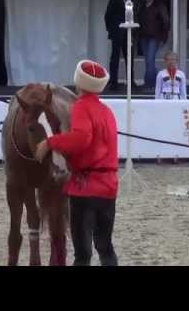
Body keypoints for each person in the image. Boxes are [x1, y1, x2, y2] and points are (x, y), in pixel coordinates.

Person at [35, 60, 119, 266]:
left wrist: (50, 142)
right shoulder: (107, 111)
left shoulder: (81, 107)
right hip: (108, 186)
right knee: (105, 247)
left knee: (82, 253)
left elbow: (81, 139)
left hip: (86, 188)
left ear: (79, 83)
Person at [105, 0, 140, 91]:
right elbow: (108, 16)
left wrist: (135, 31)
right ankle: (113, 83)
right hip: (117, 33)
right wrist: (111, 30)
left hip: (129, 33)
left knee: (129, 58)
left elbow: (137, 14)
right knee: (115, 57)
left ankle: (131, 82)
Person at [138, 0, 170, 91]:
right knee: (148, 62)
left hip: (155, 37)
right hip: (144, 37)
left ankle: (149, 85)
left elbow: (166, 22)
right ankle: (156, 83)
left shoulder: (159, 6)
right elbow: (139, 21)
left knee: (150, 60)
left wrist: (163, 38)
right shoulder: (142, 7)